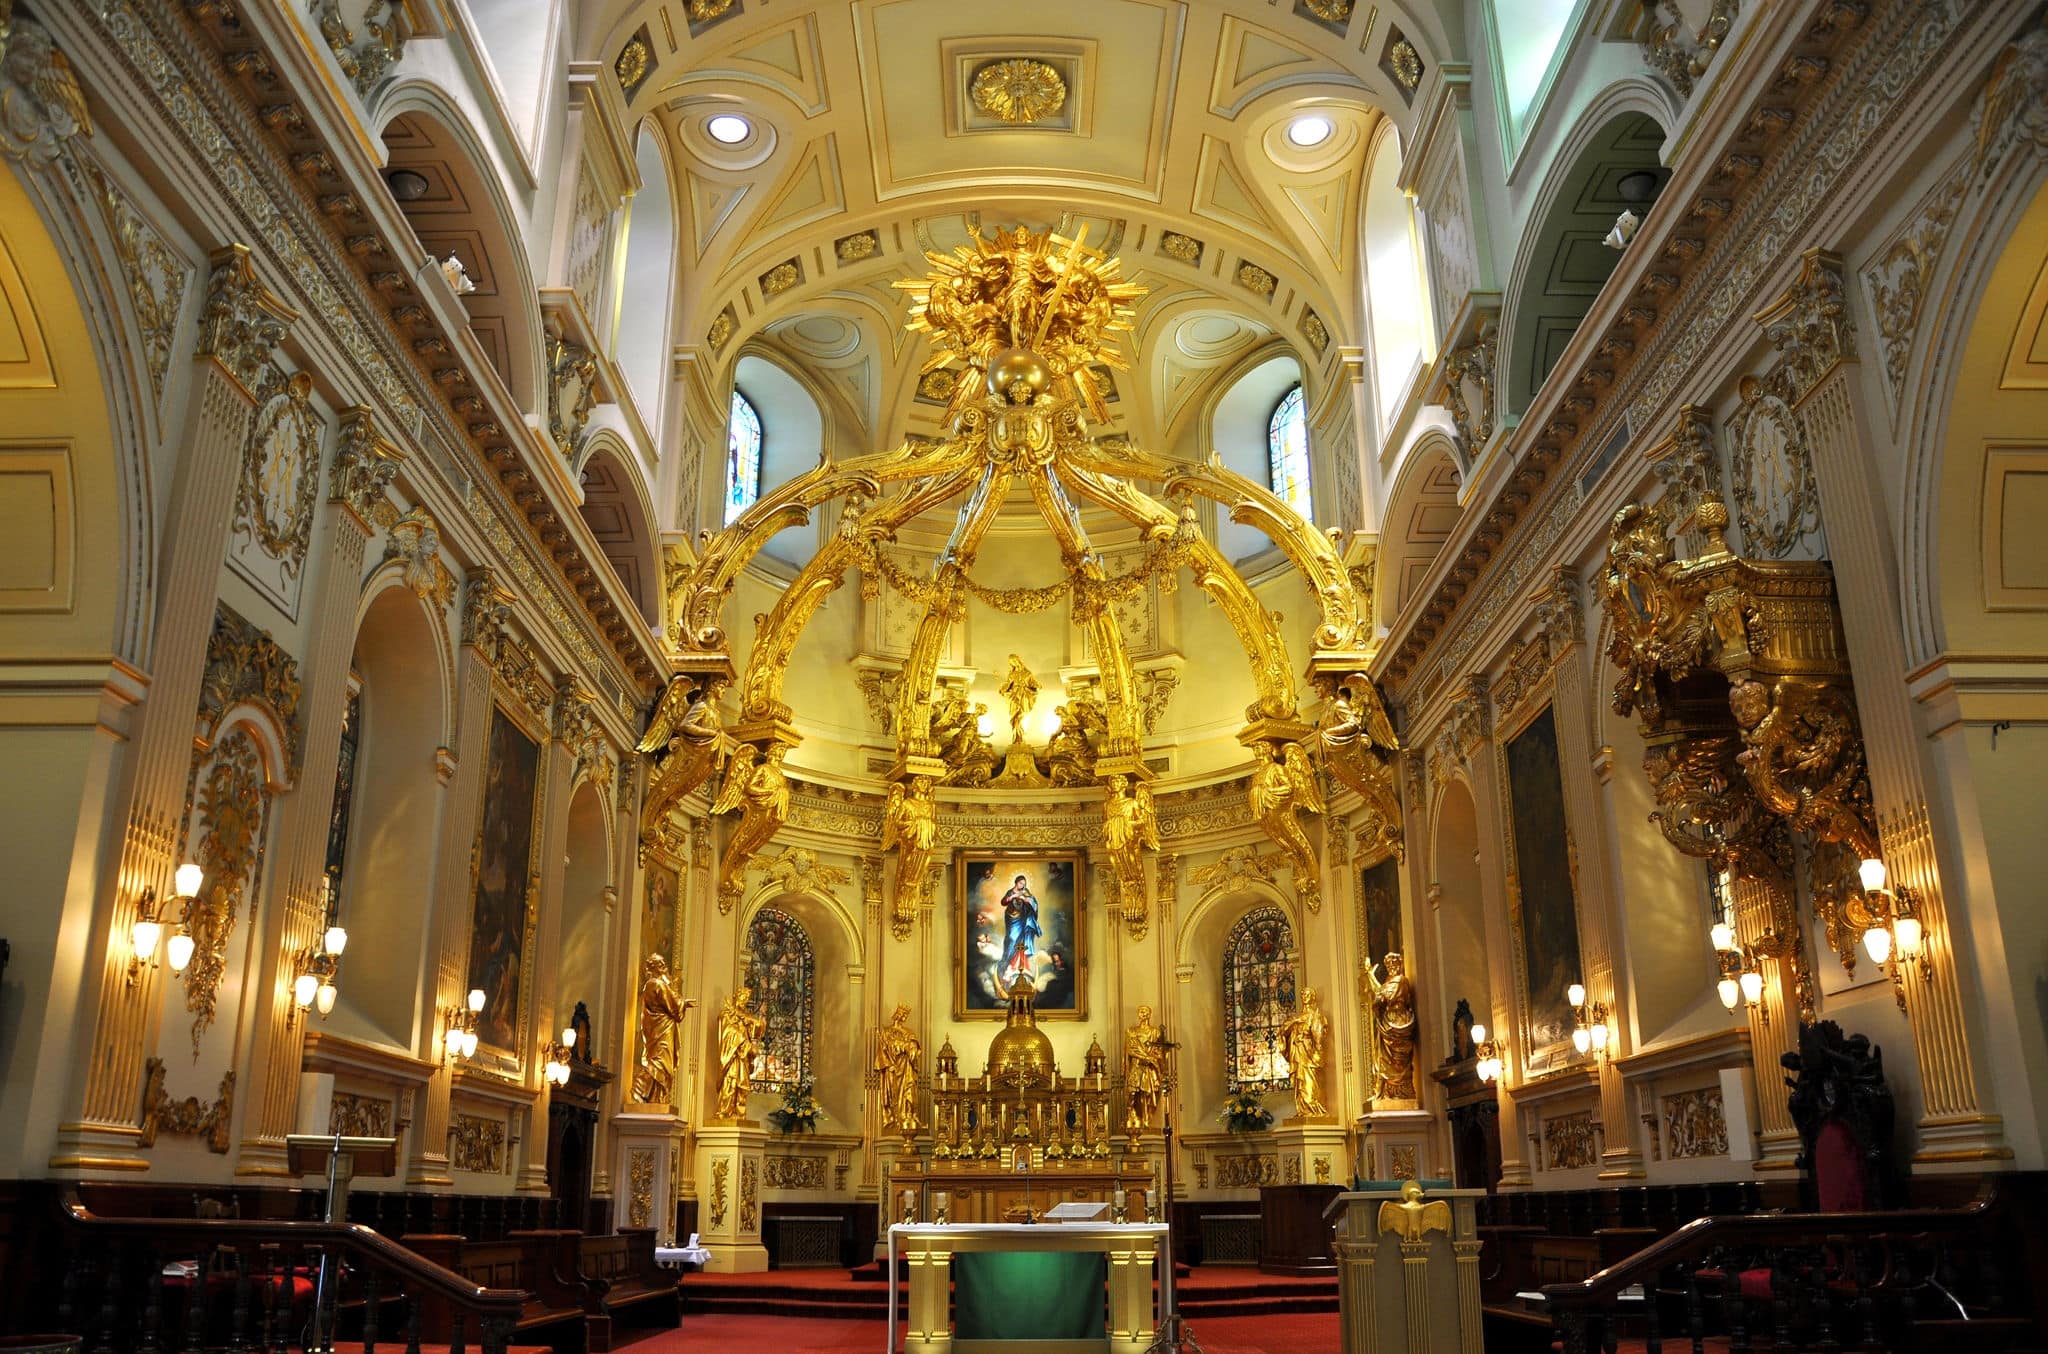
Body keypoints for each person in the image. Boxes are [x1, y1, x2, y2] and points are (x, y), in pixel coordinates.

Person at [631, 954, 696, 1105]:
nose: (663, 966)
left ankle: (656, 1097)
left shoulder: (654, 984)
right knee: (660, 1062)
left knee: (660, 1063)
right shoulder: (656, 984)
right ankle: (646, 1093)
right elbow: (673, 1006)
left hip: (660, 1028)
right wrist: (683, 1003)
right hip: (661, 1030)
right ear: (653, 967)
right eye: (660, 964)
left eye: (663, 963)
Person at [714, 985, 765, 1120]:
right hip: (733, 1056)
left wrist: (752, 1023)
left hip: (744, 1058)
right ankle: (725, 1112)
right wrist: (744, 1043)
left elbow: (758, 1027)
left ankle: (739, 1113)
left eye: (747, 998)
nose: (745, 1000)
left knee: (742, 1085)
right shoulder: (727, 1014)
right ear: (736, 996)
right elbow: (727, 1033)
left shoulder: (746, 1016)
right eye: (743, 997)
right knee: (730, 1083)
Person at [1279, 987, 1330, 1118]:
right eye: (1302, 994)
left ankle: (1311, 1108)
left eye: (1307, 994)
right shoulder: (1296, 1017)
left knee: (1309, 1079)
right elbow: (1283, 1031)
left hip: (1308, 1052)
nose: (1304, 996)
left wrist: (1317, 1050)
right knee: (1298, 1080)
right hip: (1297, 1051)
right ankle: (1302, 1109)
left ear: (1312, 997)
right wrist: (1294, 1023)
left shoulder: (1315, 1015)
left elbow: (1318, 1035)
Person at [874, 1003, 923, 1135]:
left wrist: (909, 1048)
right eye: (900, 1013)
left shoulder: (909, 1033)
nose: (902, 1016)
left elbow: (914, 1049)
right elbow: (883, 1052)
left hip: (906, 1068)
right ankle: (894, 1119)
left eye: (905, 1014)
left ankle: (908, 1115)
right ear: (896, 1014)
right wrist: (890, 1064)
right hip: (892, 1068)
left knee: (909, 1091)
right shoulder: (886, 1032)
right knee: (892, 1094)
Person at [1124, 1005, 1167, 1130]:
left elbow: (1159, 1051)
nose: (1143, 1013)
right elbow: (1130, 1049)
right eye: (1141, 1011)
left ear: (1150, 1014)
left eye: (1145, 1011)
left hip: (1150, 1068)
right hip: (1137, 1066)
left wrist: (1155, 1058)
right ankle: (1132, 1115)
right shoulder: (1132, 1031)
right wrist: (1145, 1057)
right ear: (1138, 1014)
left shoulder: (1155, 1032)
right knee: (1133, 1093)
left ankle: (1146, 1119)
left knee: (1147, 1094)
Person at [998, 874, 1041, 988]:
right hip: (1011, 919)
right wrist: (1012, 897)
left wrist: (1024, 899)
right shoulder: (1010, 892)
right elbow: (1003, 902)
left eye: (1024, 884)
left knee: (1019, 942)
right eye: (1021, 883)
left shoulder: (1025, 891)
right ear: (1016, 882)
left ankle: (1015, 966)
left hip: (1021, 919)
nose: (1022, 886)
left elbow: (1033, 903)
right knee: (1011, 939)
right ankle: (1006, 962)